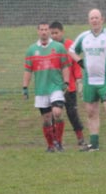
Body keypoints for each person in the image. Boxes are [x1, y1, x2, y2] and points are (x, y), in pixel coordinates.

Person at [69, 8, 106, 152]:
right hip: (89, 81)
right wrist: (79, 62)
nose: (94, 20)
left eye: (97, 17)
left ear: (102, 19)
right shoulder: (84, 37)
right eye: (92, 18)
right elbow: (72, 50)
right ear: (89, 20)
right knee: (91, 112)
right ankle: (94, 144)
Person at [22, 22, 70, 152]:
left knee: (57, 113)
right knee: (47, 119)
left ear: (49, 31)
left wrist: (66, 82)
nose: (44, 32)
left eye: (46, 29)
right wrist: (25, 87)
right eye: (41, 29)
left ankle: (59, 142)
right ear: (38, 32)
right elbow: (28, 70)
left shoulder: (59, 47)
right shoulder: (31, 50)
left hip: (56, 87)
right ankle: (50, 145)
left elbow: (65, 66)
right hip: (41, 89)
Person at [49, 21, 86, 146]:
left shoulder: (70, 45)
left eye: (56, 33)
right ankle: (56, 139)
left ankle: (80, 137)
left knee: (72, 113)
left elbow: (75, 65)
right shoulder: (48, 47)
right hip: (54, 88)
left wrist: (79, 80)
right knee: (54, 114)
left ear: (62, 32)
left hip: (69, 88)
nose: (54, 35)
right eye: (52, 33)